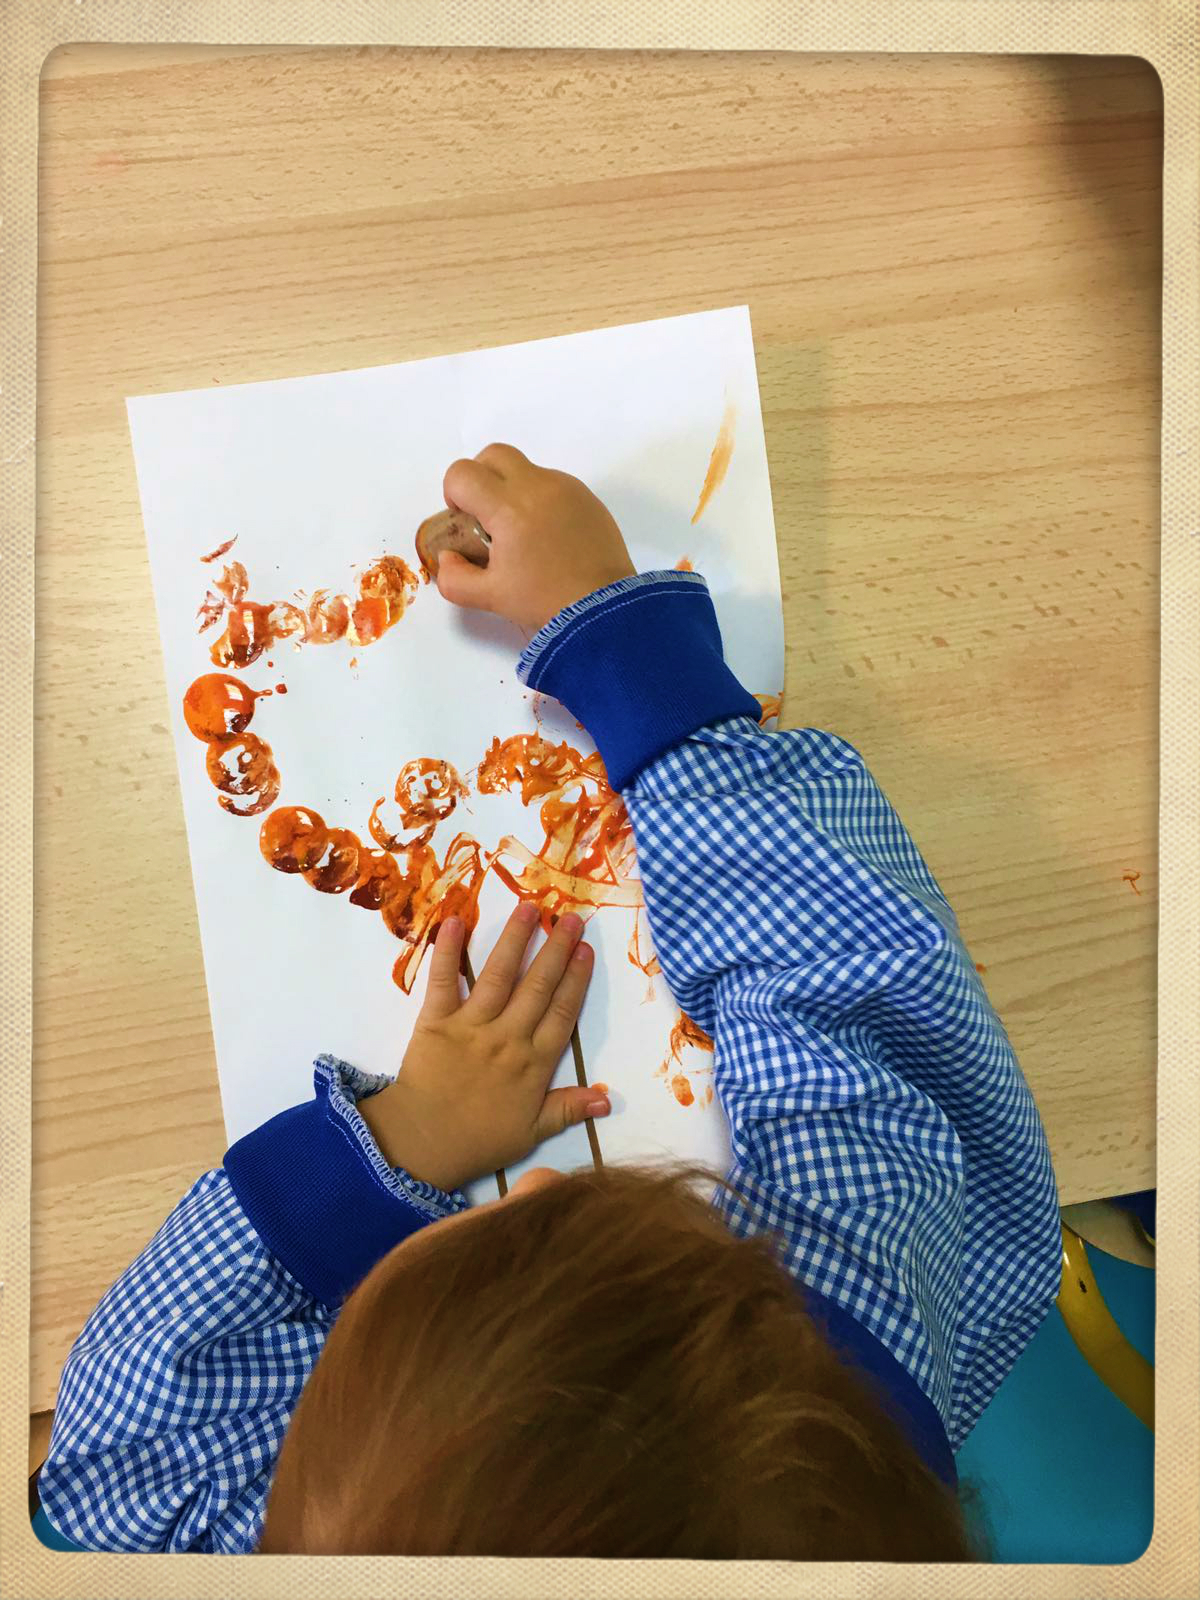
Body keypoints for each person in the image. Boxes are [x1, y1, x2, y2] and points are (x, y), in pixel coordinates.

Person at [37, 445, 1062, 1559]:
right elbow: (853, 988)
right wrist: (623, 655)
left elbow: (122, 1447)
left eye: (494, 1234)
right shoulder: (828, 1409)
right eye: (555, 1226)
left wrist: (397, 1144)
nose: (526, 1184)